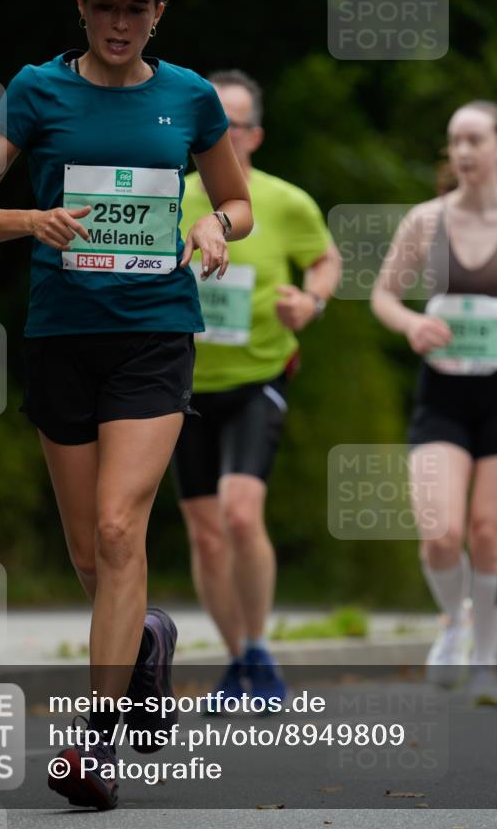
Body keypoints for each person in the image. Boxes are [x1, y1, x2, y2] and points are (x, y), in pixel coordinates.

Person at [0, 0, 252, 808]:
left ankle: (94, 745)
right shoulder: (35, 91)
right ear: (81, 7)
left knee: (122, 534)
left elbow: (234, 201)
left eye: (137, 6)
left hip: (154, 336)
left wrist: (214, 228)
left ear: (159, 14)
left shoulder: (191, 99)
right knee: (89, 555)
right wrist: (31, 220)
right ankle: (147, 637)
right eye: (105, 4)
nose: (120, 21)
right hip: (61, 339)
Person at [172, 70, 341, 706]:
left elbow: (326, 259)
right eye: (213, 119)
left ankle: (262, 648)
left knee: (241, 512)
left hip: (258, 378)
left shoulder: (284, 201)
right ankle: (238, 656)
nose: (224, 131)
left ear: (256, 135)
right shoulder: (172, 197)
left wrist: (313, 300)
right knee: (205, 533)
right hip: (182, 387)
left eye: (236, 122)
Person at [371, 100, 497, 706]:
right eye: (455, 141)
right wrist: (411, 325)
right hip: (444, 392)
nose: (463, 152)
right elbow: (384, 295)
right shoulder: (426, 221)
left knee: (488, 533)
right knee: (441, 533)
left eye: (476, 141)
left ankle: (486, 661)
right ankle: (454, 621)